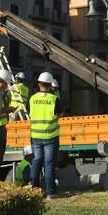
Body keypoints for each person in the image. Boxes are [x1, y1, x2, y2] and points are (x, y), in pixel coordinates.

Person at [29, 71, 62, 199]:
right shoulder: (54, 99)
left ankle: (34, 188)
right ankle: (50, 192)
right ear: (50, 85)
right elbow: (60, 115)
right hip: (50, 137)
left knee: (36, 161)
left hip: (36, 136)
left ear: (38, 84)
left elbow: (31, 114)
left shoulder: (32, 98)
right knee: (49, 164)